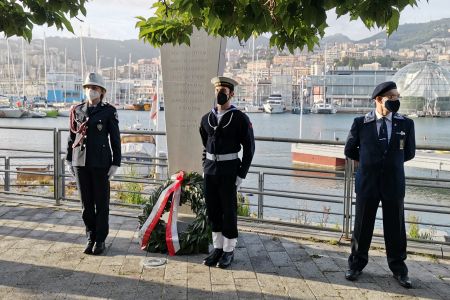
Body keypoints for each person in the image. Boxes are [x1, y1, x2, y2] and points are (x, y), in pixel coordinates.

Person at [344, 81, 416, 288]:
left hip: (393, 183)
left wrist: (389, 163)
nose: (395, 100)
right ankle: (356, 265)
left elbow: (409, 152)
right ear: (378, 99)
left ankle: (399, 269)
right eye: (391, 97)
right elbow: (349, 150)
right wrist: (369, 161)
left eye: (397, 97)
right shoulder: (361, 123)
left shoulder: (406, 124)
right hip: (367, 182)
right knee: (362, 226)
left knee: (395, 227)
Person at [199, 76, 255, 269]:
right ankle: (217, 248)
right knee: (213, 210)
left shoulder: (239, 118)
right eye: (217, 90)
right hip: (211, 171)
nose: (220, 94)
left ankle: (229, 250)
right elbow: (205, 144)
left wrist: (241, 174)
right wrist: (205, 166)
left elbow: (249, 148)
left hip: (230, 171)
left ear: (231, 93)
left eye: (224, 90)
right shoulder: (206, 118)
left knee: (228, 211)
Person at [66, 72, 121, 255]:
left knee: (101, 203)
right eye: (88, 88)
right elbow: (72, 136)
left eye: (94, 88)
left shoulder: (108, 111)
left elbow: (115, 139)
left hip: (100, 163)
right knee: (86, 204)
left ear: (102, 91)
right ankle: (90, 237)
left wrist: (115, 163)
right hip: (80, 163)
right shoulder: (77, 110)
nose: (91, 91)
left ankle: (100, 240)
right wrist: (68, 159)